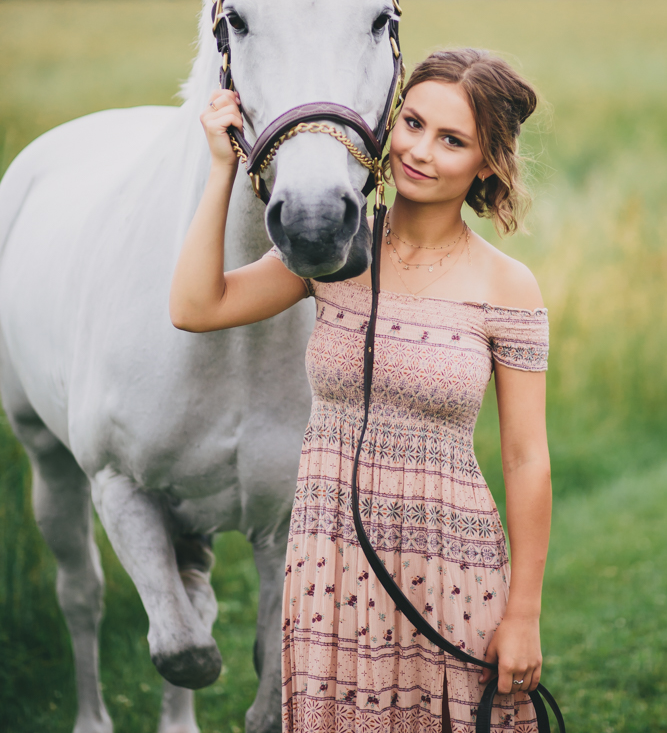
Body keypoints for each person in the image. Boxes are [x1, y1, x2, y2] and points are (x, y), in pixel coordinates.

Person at [170, 48, 552, 733]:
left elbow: (527, 459)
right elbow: (195, 306)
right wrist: (222, 167)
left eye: (452, 140)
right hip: (328, 566)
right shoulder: (333, 257)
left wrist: (522, 614)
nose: (419, 151)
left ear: (486, 163)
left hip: (451, 567)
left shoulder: (507, 286)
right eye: (410, 122)